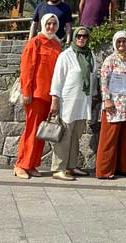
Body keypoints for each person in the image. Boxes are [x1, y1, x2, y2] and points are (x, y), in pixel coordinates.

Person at [14, 13, 62, 179]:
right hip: (35, 95)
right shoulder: (35, 42)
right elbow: (27, 69)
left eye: (54, 24)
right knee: (31, 130)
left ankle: (32, 164)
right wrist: (26, 92)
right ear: (43, 24)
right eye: (48, 23)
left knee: (41, 132)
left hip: (49, 96)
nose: (51, 27)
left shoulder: (56, 45)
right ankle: (21, 164)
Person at [49, 26, 96, 181]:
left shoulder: (90, 55)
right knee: (65, 135)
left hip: (83, 103)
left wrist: (93, 97)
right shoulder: (66, 55)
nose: (81, 38)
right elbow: (57, 78)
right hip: (68, 101)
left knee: (76, 136)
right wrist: (55, 99)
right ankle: (58, 168)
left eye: (85, 36)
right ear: (74, 37)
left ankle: (71, 166)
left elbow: (93, 78)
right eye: (78, 36)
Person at [96, 30, 126, 179]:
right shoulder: (110, 60)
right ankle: (104, 170)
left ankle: (122, 167)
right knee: (109, 138)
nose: (122, 44)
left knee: (124, 138)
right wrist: (107, 99)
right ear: (115, 43)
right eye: (119, 41)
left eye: (124, 41)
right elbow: (104, 81)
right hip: (114, 105)